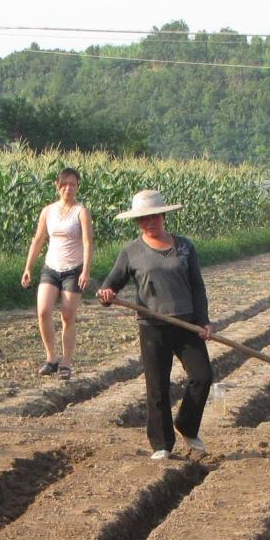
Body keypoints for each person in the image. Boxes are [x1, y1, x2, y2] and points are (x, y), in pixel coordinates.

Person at [96, 189, 213, 460]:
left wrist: (204, 320)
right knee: (157, 386)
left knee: (202, 376)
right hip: (152, 325)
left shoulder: (184, 247)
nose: (149, 222)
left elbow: (197, 286)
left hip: (186, 323)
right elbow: (111, 284)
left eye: (154, 217)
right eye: (143, 219)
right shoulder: (131, 251)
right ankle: (161, 445)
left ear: (163, 216)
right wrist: (106, 295)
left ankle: (187, 425)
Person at [21, 166, 94, 380]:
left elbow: (88, 242)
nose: (68, 188)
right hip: (51, 267)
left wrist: (86, 271)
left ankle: (66, 362)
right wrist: (28, 268)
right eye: (65, 184)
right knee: (43, 311)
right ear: (58, 186)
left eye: (73, 184)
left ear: (77, 186)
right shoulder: (48, 211)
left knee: (67, 315)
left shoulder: (81, 211)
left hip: (73, 270)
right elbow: (38, 239)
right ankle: (51, 358)